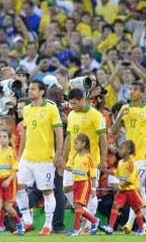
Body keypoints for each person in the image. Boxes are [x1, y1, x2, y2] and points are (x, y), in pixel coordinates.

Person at [111, 82, 146, 231]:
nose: (131, 92)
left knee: (137, 188)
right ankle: (144, 224)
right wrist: (120, 116)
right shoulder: (125, 109)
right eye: (130, 89)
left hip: (143, 156)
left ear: (142, 93)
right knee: (139, 189)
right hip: (130, 158)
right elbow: (113, 131)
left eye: (135, 90)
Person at [16, 80, 64, 235]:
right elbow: (24, 132)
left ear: (42, 92)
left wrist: (58, 154)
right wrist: (19, 155)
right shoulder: (27, 109)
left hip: (45, 158)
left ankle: (48, 225)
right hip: (27, 157)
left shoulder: (51, 109)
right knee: (18, 187)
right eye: (29, 88)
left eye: (33, 89)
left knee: (48, 191)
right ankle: (28, 221)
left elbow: (58, 132)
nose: (30, 91)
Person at [62, 88, 107, 228]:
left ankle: (87, 225)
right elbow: (69, 137)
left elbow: (103, 139)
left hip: (90, 161)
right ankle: (87, 216)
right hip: (72, 160)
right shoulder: (71, 115)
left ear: (82, 100)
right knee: (67, 188)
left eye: (75, 103)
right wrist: (63, 158)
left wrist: (104, 160)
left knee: (91, 192)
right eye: (71, 104)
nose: (72, 106)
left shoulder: (96, 115)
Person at [101, 140, 146, 236]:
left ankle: (141, 229)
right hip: (122, 191)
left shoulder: (132, 163)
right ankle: (110, 227)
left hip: (132, 190)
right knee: (115, 205)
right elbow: (118, 173)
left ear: (129, 150)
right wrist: (108, 171)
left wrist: (120, 186)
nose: (119, 151)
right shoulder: (120, 162)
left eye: (121, 149)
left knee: (137, 209)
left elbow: (130, 179)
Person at [0, 129, 24, 236]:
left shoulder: (11, 151)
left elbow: (15, 168)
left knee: (8, 207)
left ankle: (20, 225)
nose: (2, 139)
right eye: (0, 136)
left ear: (9, 139)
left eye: (4, 137)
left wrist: (8, 180)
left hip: (9, 181)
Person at [65, 134, 99, 236]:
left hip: (84, 184)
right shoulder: (76, 156)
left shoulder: (89, 157)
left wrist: (93, 188)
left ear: (83, 144)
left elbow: (93, 175)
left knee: (79, 206)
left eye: (76, 143)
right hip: (75, 183)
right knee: (77, 207)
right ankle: (95, 221)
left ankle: (75, 230)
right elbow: (72, 168)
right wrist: (65, 166)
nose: (74, 145)